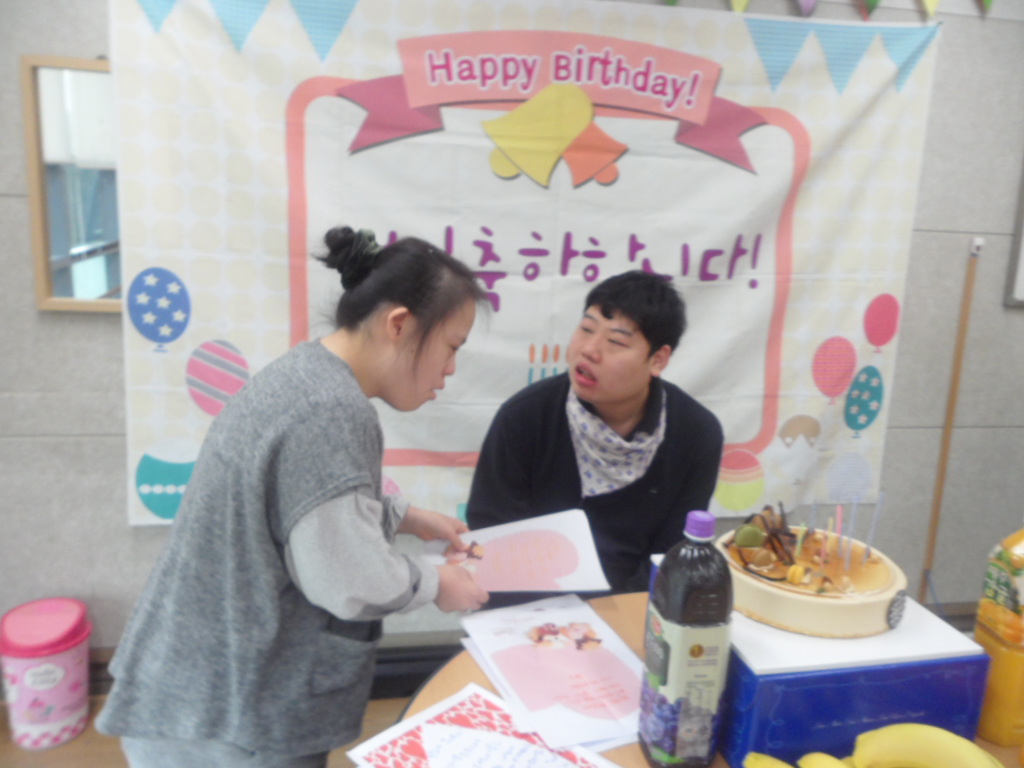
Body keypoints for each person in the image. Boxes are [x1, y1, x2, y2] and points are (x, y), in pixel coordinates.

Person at [97, 226, 490, 767]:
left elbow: (296, 504)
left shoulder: (309, 375)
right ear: (399, 324)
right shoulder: (332, 411)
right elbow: (347, 579)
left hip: (199, 686)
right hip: (231, 712)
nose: (449, 371)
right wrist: (437, 582)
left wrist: (406, 516)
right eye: (451, 348)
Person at [466, 270, 723, 604]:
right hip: (526, 608)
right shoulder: (525, 417)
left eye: (616, 342)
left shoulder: (696, 434)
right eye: (586, 329)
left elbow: (671, 557)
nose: (588, 350)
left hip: (632, 610)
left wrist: (614, 617)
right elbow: (493, 536)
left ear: (658, 360)